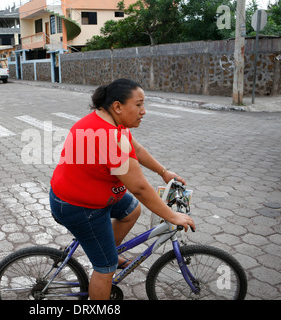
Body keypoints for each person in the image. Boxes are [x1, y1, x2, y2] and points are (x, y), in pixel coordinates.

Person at [49, 78, 195, 300]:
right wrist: (172, 215)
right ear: (117, 106)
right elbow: (139, 188)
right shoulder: (107, 137)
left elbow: (136, 148)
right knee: (104, 269)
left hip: (91, 195)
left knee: (131, 211)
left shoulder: (112, 123)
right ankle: (105, 265)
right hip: (79, 207)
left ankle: (110, 253)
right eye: (138, 104)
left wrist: (163, 171)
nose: (143, 111)